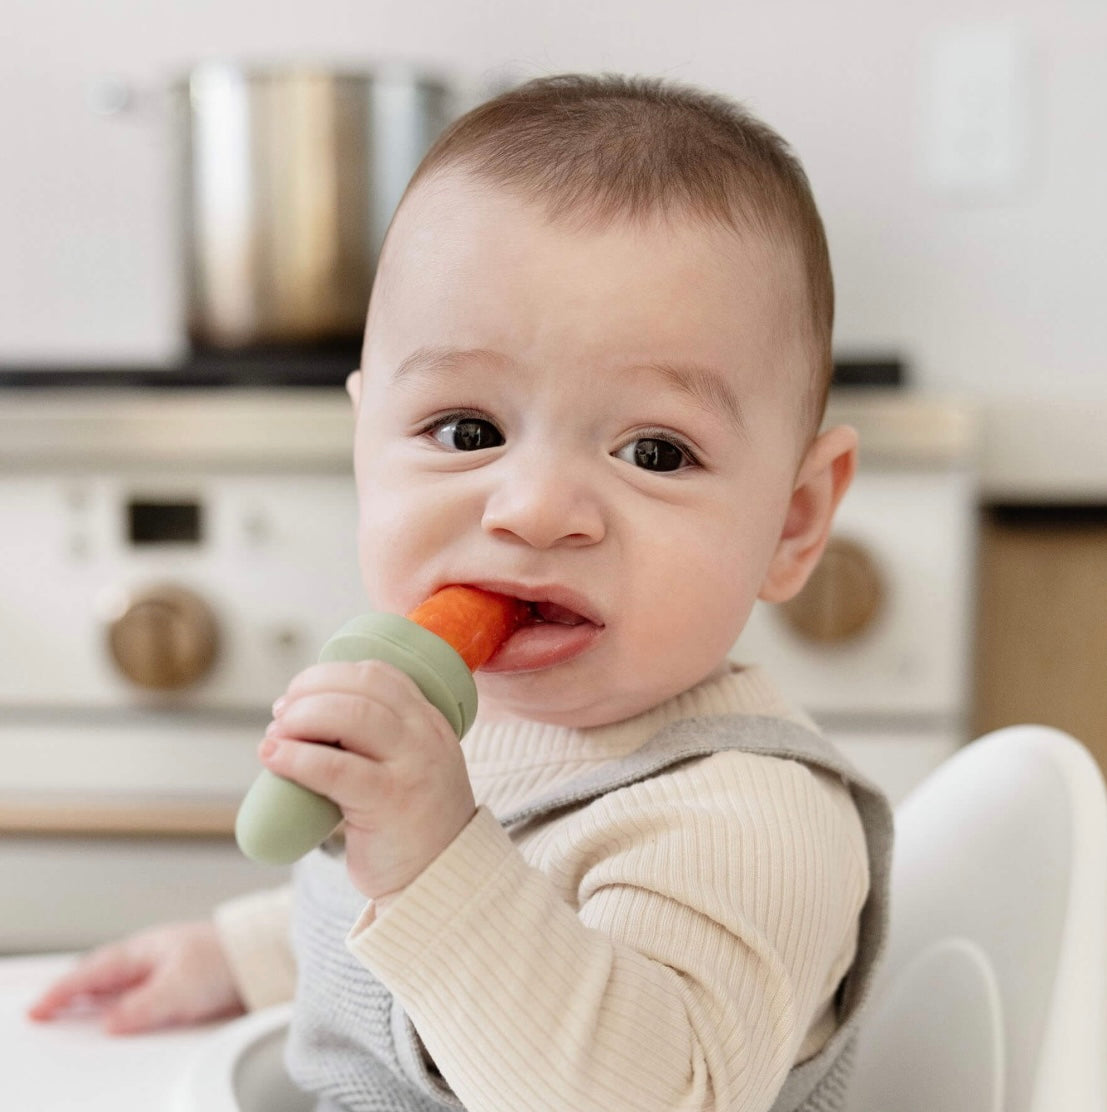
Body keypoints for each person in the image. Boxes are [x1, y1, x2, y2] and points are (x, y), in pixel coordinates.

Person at [30, 74, 892, 1112]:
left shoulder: (744, 820)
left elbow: (649, 1091)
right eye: (468, 431)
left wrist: (434, 856)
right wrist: (234, 953)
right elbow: (382, 938)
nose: (533, 508)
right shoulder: (467, 737)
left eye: (654, 449)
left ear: (793, 522)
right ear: (363, 445)